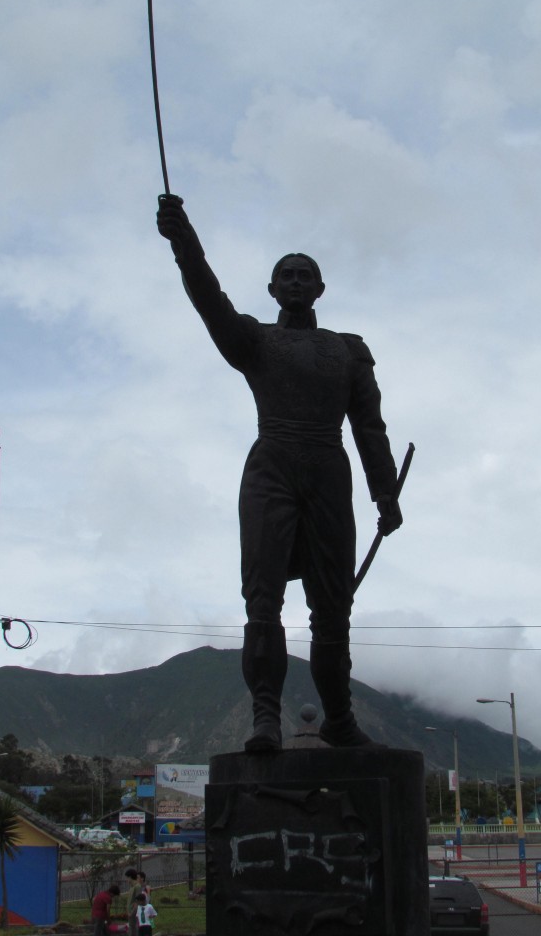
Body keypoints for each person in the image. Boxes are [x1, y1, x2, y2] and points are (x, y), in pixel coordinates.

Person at [157, 195, 403, 752]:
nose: (295, 281)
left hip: (329, 472)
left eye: (304, 275)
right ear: (272, 290)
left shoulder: (348, 350)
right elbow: (209, 299)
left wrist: (384, 493)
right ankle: (265, 716)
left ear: (320, 289)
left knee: (333, 608)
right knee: (262, 600)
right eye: (286, 275)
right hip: (271, 469)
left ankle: (339, 720)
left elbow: (370, 426)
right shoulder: (255, 340)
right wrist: (183, 240)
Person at [124, 868, 140, 936]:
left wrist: (132, 912)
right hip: (130, 912)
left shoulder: (137, 887)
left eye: (127, 878)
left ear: (130, 877)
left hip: (133, 912)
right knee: (131, 928)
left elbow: (137, 901)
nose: (126, 880)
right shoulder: (132, 887)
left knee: (134, 929)